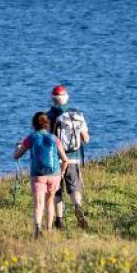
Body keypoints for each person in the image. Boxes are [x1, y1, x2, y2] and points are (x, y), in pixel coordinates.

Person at [14, 112, 69, 239]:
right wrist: (61, 173)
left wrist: (17, 147)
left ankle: (37, 229)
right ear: (47, 123)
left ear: (33, 124)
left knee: (39, 204)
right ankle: (49, 230)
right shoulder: (54, 138)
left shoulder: (31, 138)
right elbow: (65, 160)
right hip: (54, 174)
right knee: (50, 202)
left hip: (38, 175)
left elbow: (16, 156)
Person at [47, 85, 90, 230]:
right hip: (74, 158)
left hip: (55, 159)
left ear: (52, 99)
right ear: (67, 98)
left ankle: (59, 221)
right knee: (74, 188)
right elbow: (86, 138)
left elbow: (47, 139)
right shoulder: (77, 115)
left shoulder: (48, 116)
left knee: (57, 191)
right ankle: (77, 206)